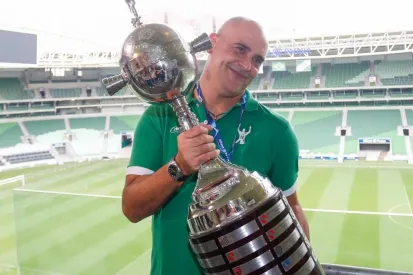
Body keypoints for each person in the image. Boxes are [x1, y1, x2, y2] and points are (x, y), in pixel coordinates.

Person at [122, 16, 310, 275]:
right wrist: (179, 167)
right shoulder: (159, 116)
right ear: (211, 44)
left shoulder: (277, 130)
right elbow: (132, 207)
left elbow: (292, 206)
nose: (247, 65)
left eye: (257, 60)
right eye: (240, 49)